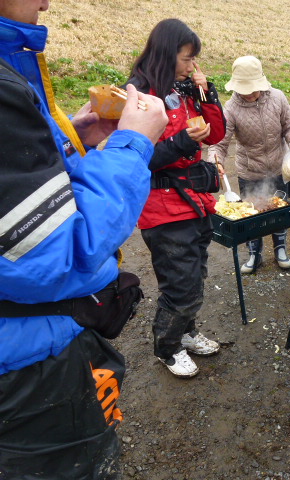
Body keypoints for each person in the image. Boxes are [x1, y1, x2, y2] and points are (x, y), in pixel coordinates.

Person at [0, 1, 168, 478]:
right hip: (26, 367)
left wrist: (73, 134)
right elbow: (56, 251)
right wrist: (133, 144)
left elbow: (22, 181)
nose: (46, 3)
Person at [125, 19, 227, 379]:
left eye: (194, 59)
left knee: (194, 275)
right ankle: (166, 347)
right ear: (167, 54)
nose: (191, 66)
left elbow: (217, 131)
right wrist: (186, 140)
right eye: (186, 59)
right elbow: (139, 155)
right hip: (162, 206)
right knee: (179, 284)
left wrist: (206, 92)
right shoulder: (138, 93)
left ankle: (184, 331)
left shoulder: (182, 89)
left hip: (194, 200)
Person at [210, 55, 290, 274]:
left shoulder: (278, 97)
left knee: (278, 210)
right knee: (251, 215)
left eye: (253, 88)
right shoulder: (231, 108)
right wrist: (215, 159)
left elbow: (289, 125)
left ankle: (280, 248)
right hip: (250, 171)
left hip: (278, 167)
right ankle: (254, 253)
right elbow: (219, 142)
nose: (250, 94)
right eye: (245, 89)